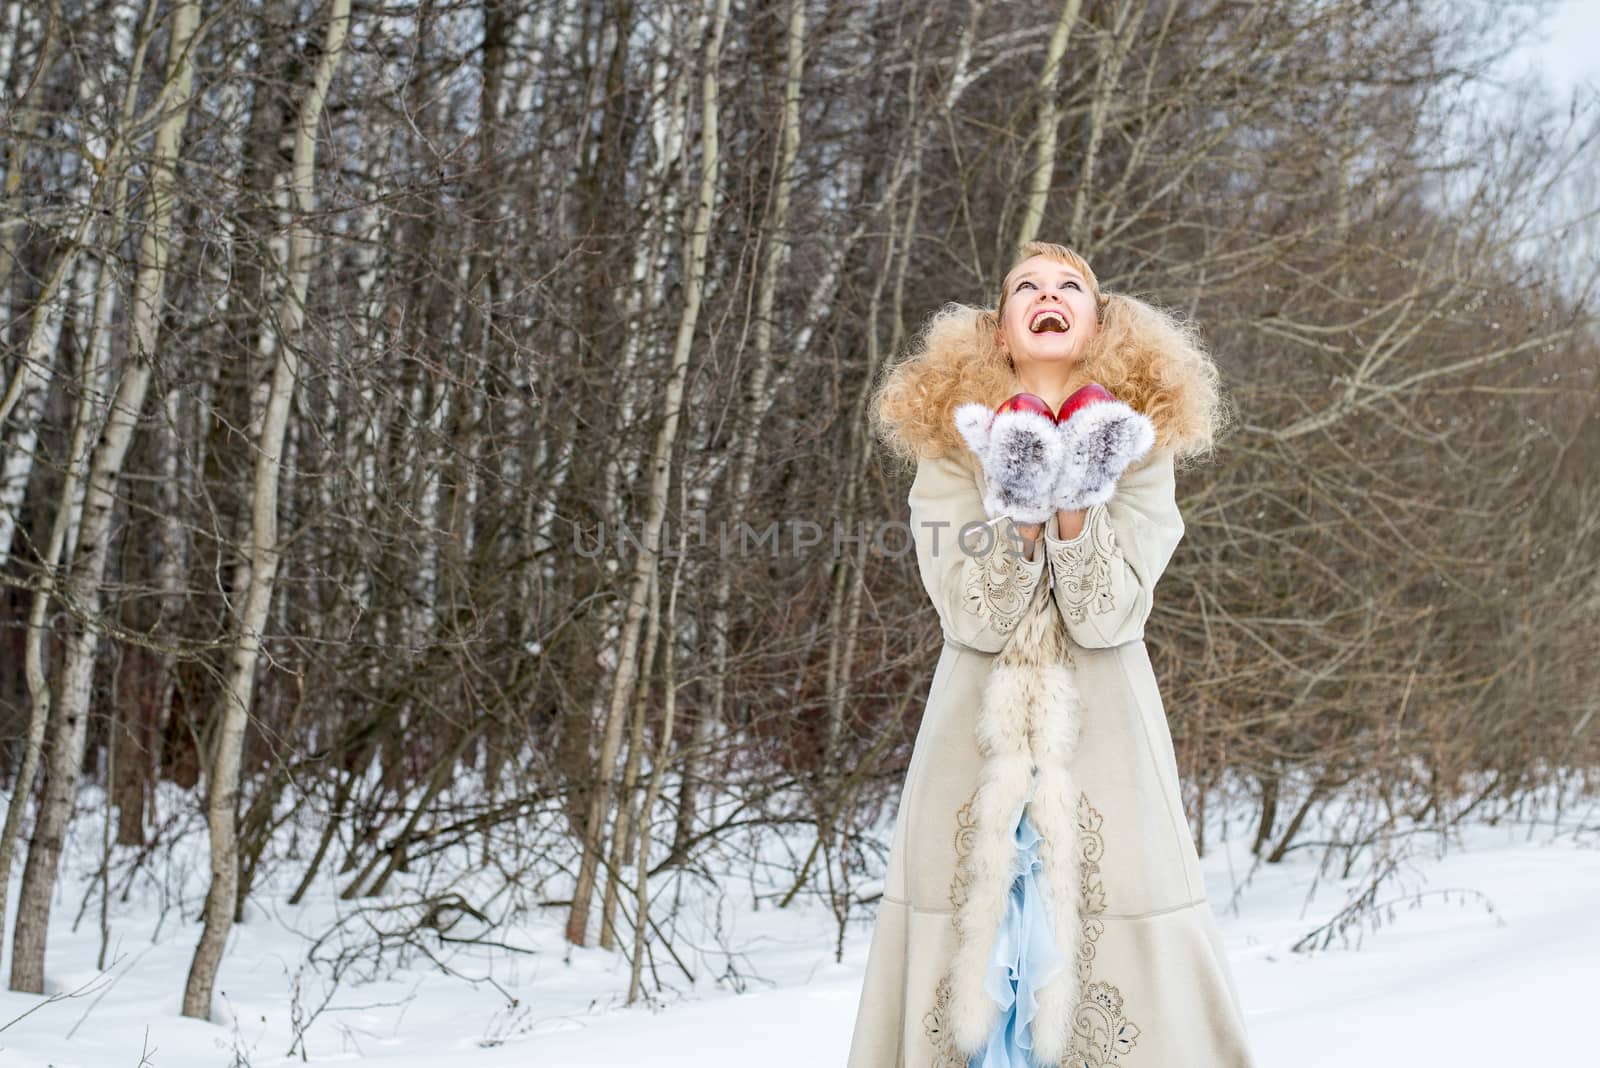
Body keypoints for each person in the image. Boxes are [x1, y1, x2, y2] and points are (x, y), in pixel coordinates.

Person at [848, 242, 1254, 1067]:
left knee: (1105, 959)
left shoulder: (1142, 446)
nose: (1048, 295)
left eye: (1071, 285)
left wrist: (1079, 500)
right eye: (1025, 286)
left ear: (1099, 324)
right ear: (999, 331)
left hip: (1106, 745)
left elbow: (1108, 617)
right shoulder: (950, 445)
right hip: (973, 742)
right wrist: (1020, 494)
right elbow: (975, 617)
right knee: (971, 952)